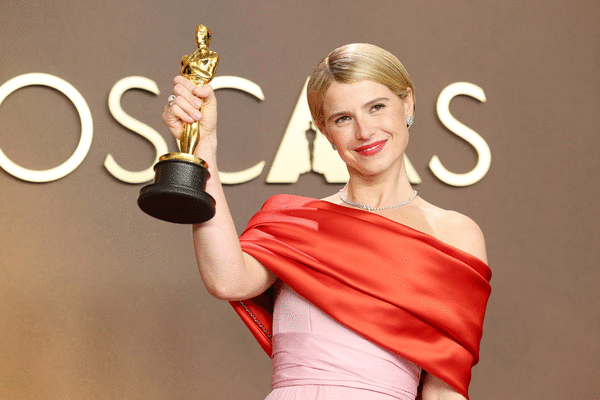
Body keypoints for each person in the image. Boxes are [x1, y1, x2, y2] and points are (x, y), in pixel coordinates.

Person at [163, 43, 492, 400]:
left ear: (408, 103)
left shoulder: (453, 234)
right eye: (342, 118)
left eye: (377, 107)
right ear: (324, 129)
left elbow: (443, 391)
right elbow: (227, 280)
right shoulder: (294, 225)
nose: (365, 131)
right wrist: (203, 145)